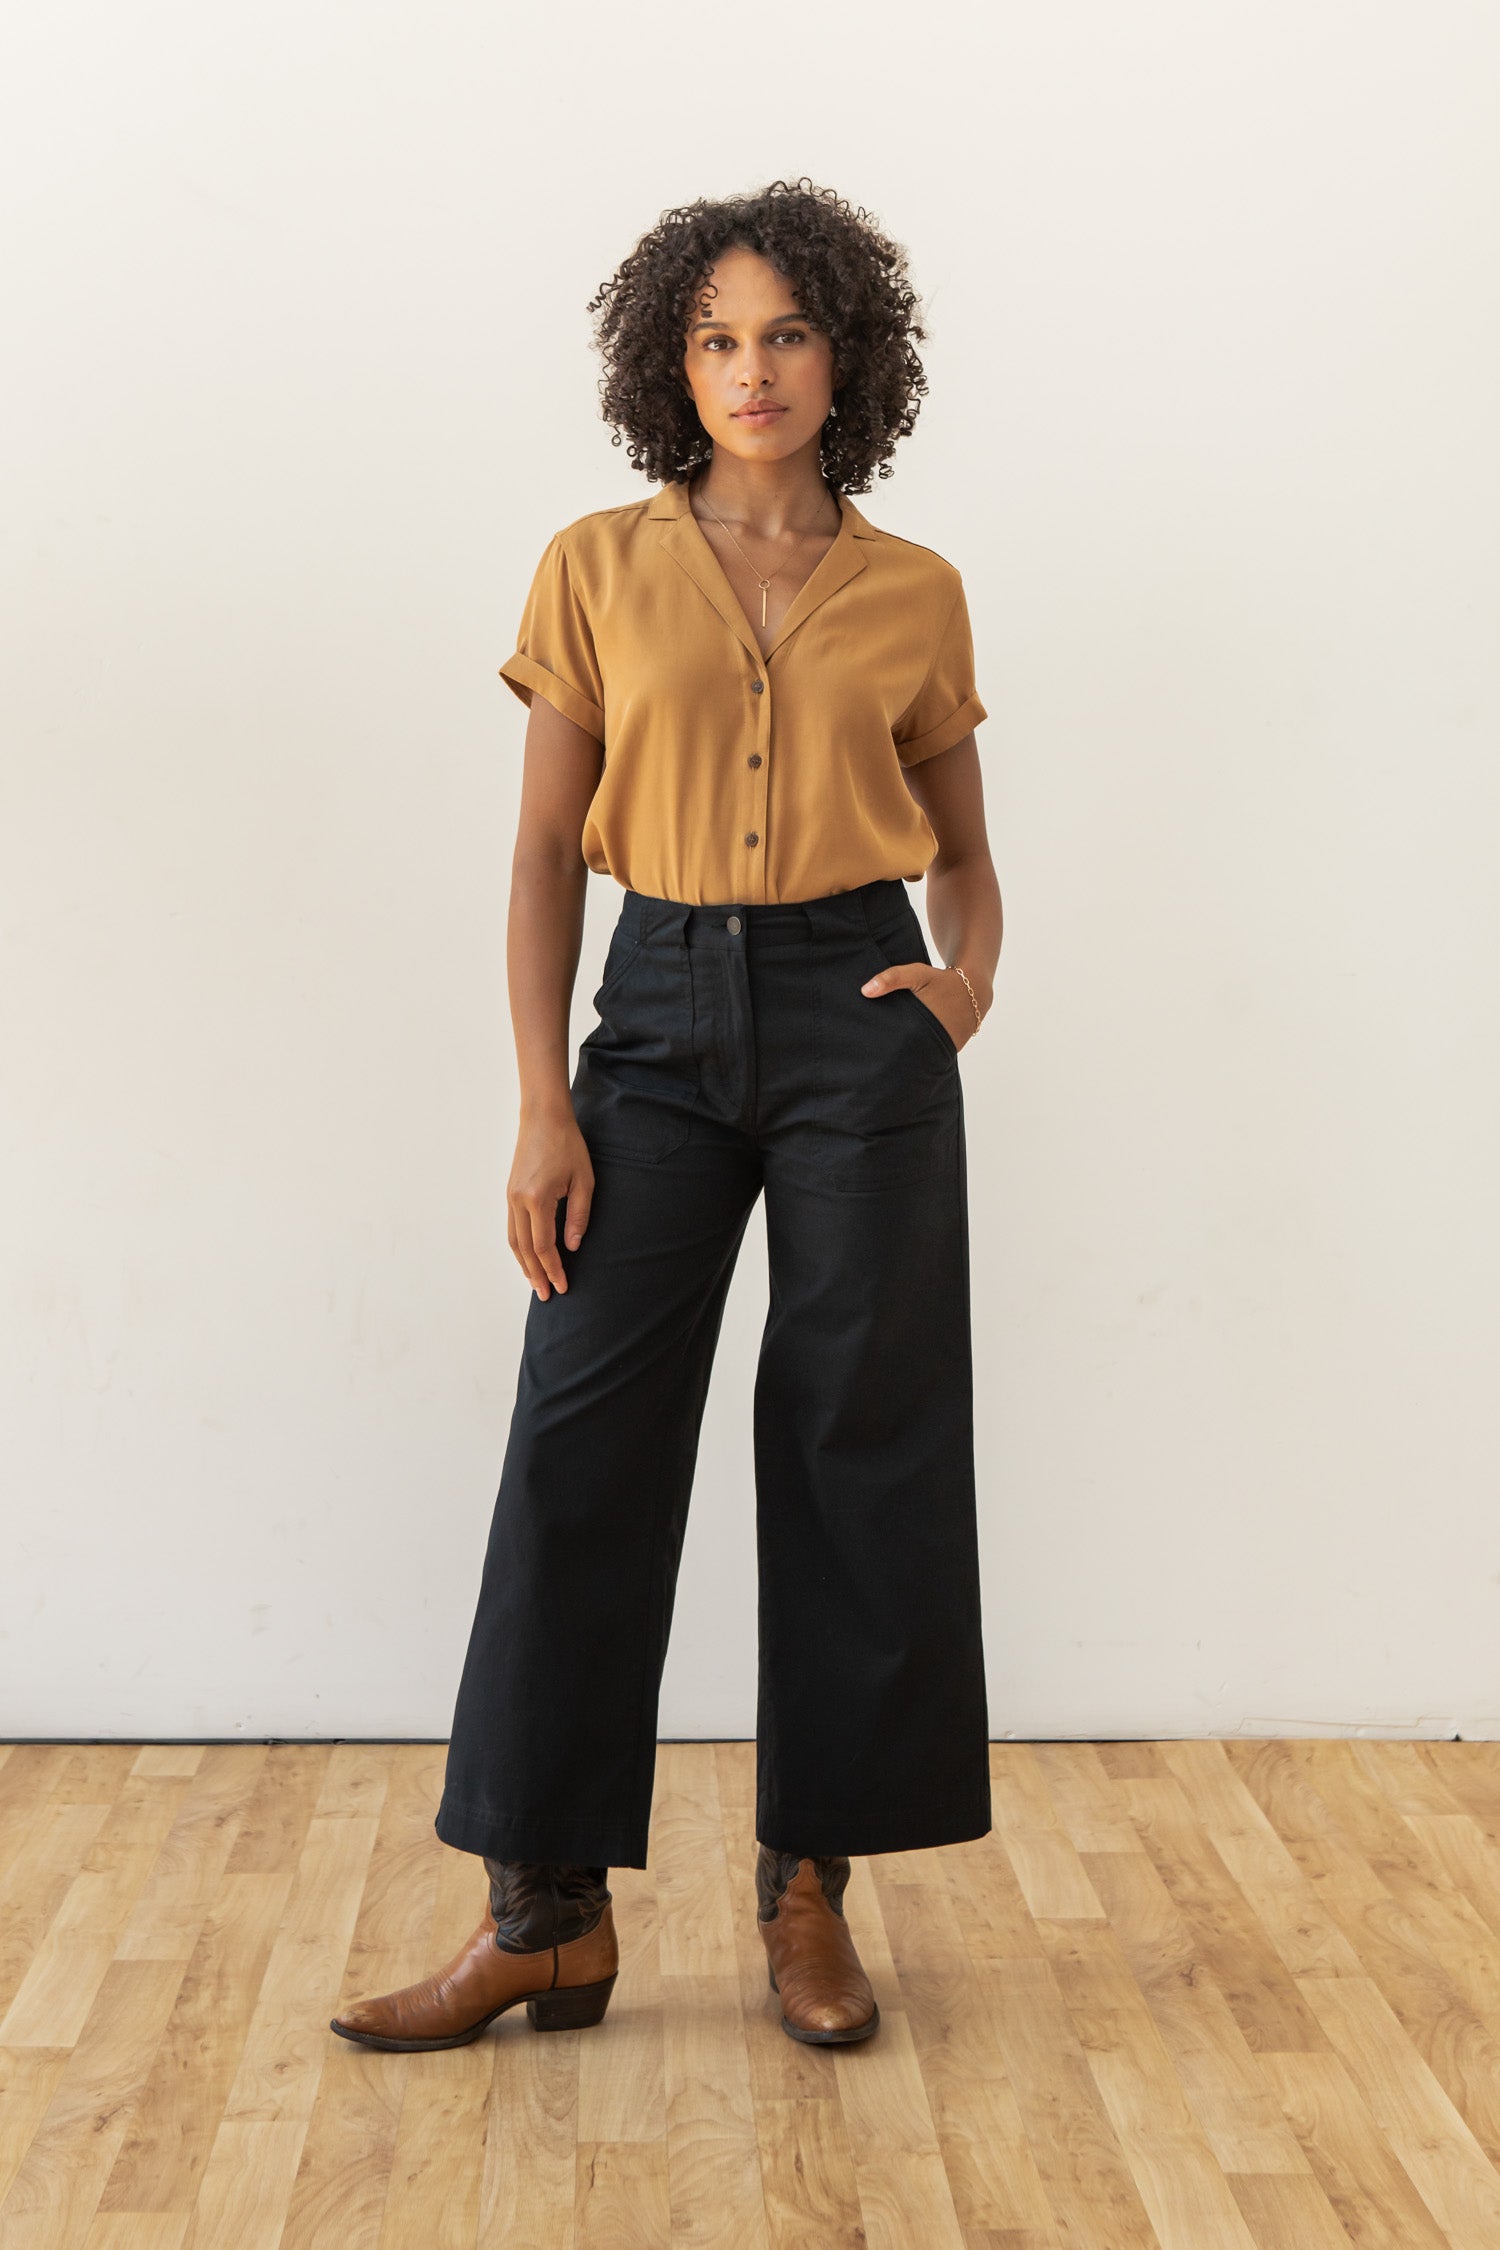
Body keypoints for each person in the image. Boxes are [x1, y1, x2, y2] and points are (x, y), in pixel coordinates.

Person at [331, 175, 1002, 2056]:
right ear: (671, 366)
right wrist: (542, 1100)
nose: (751, 367)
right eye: (716, 338)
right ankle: (542, 1915)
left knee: (857, 1438)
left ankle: (809, 1889)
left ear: (846, 358)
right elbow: (545, 849)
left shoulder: (917, 591)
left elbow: (967, 857)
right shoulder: (595, 566)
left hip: (860, 1014)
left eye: (786, 332)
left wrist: (963, 986)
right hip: (654, 1017)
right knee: (583, 1437)